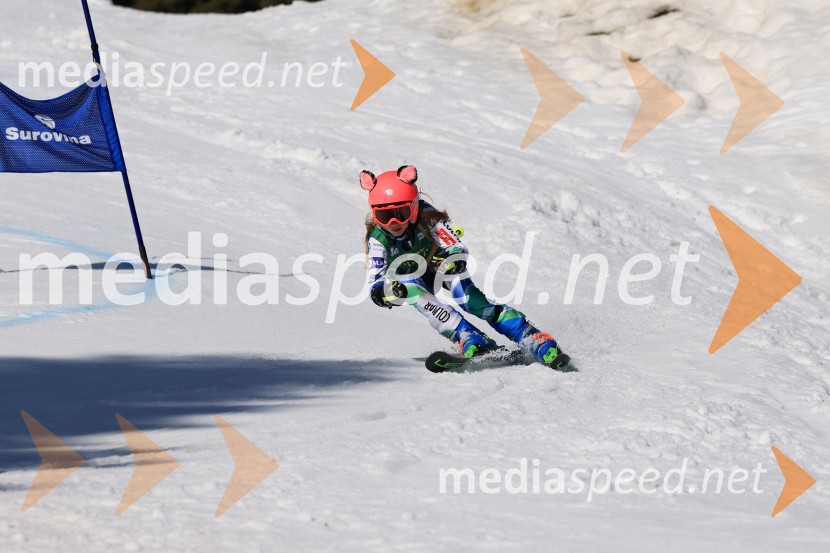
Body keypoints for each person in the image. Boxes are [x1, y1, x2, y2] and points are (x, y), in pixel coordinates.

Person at [362, 165, 569, 369]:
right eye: (384, 216)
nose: (394, 222)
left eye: (402, 212)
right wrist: (382, 293)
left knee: (470, 302)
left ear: (414, 206)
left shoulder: (427, 216)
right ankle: (467, 336)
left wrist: (453, 260)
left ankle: (530, 336)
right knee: (416, 294)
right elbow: (375, 279)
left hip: (440, 265)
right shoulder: (378, 239)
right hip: (412, 275)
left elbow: (455, 245)